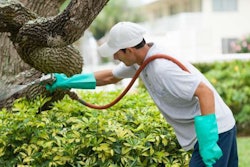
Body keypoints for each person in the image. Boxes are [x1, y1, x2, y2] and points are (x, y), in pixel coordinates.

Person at [46, 22, 238, 167]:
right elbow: (109, 77)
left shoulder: (162, 67)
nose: (114, 58)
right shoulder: (141, 61)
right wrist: (69, 81)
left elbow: (204, 93)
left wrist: (208, 143)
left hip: (215, 133)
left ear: (128, 50)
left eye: (116, 53)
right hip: (215, 131)